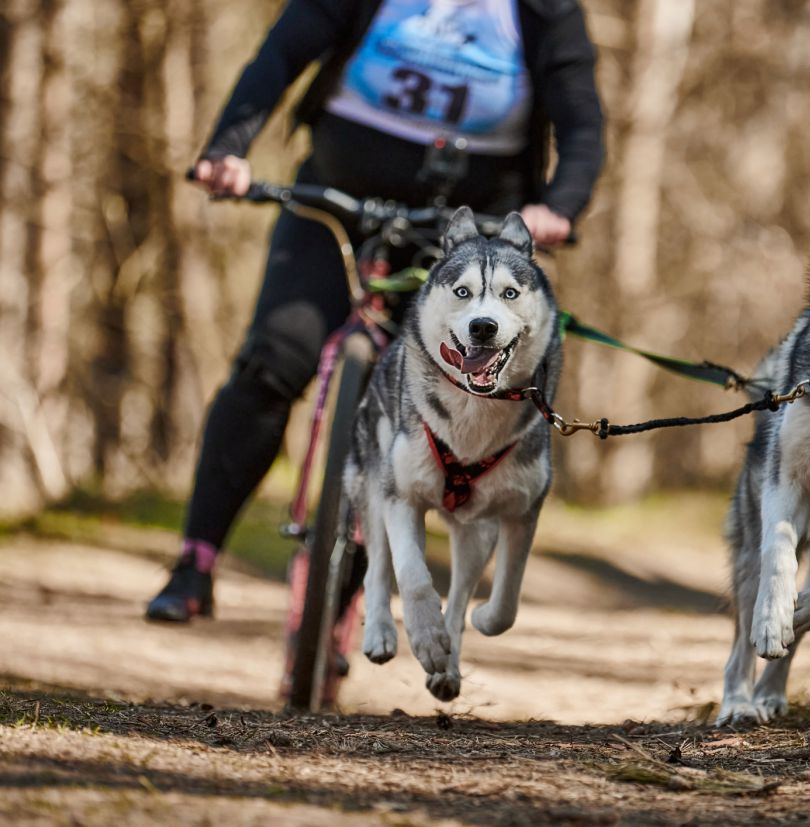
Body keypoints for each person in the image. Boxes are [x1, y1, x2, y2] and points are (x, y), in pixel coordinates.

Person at [146, 0, 605, 621]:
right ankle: (194, 564)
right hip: (336, 203)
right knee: (272, 363)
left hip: (470, 236)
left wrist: (561, 205)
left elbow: (582, 121)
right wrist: (229, 148)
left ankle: (352, 584)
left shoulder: (545, 10)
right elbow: (280, 54)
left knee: (427, 408)